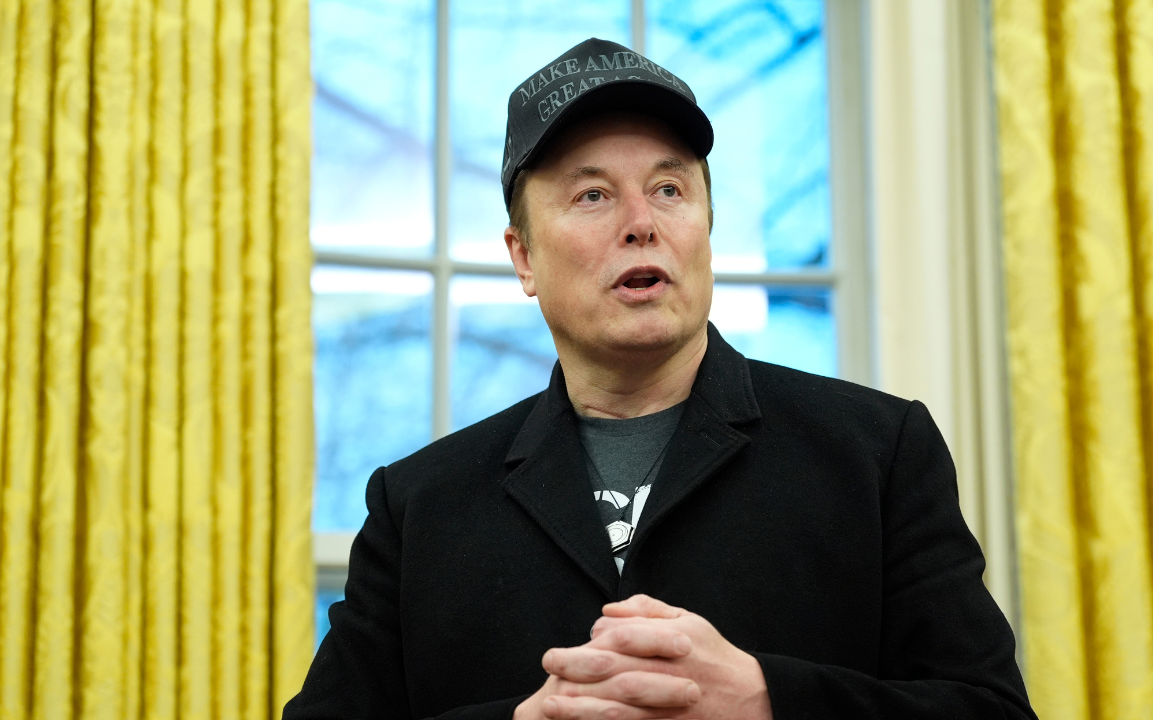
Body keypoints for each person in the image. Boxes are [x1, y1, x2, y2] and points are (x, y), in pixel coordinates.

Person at [285, 38, 1037, 720]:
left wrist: (768, 701)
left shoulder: (877, 453)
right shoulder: (418, 506)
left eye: (670, 190)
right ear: (523, 258)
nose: (642, 222)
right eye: (593, 195)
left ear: (706, 227)